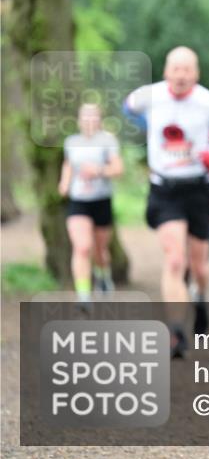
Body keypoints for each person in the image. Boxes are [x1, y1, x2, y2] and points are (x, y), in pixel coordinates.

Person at [123, 46, 209, 357]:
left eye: (187, 69)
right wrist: (145, 127)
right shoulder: (150, 96)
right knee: (175, 260)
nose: (181, 75)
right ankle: (175, 332)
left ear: (196, 73)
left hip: (199, 189)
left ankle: (200, 300)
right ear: (166, 71)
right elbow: (126, 108)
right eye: (176, 69)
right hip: (165, 189)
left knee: (199, 266)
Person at [58, 103, 123, 309]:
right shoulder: (71, 142)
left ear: (99, 119)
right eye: (85, 116)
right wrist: (64, 182)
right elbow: (68, 164)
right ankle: (84, 295)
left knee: (99, 250)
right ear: (79, 119)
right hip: (78, 201)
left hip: (101, 200)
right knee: (82, 247)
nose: (89, 120)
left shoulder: (107, 141)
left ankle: (103, 275)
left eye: (93, 116)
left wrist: (99, 171)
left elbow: (118, 169)